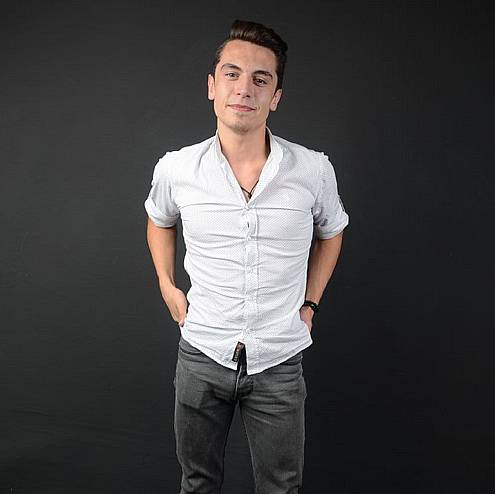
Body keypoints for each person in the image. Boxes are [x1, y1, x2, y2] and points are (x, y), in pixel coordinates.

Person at [144, 18, 349, 494]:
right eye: (232, 74)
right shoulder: (177, 168)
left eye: (261, 79)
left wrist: (310, 303)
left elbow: (333, 231)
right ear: (211, 87)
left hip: (279, 358)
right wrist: (167, 285)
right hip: (201, 352)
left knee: (281, 487)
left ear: (275, 96)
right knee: (197, 484)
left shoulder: (313, 169)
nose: (244, 89)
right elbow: (159, 219)